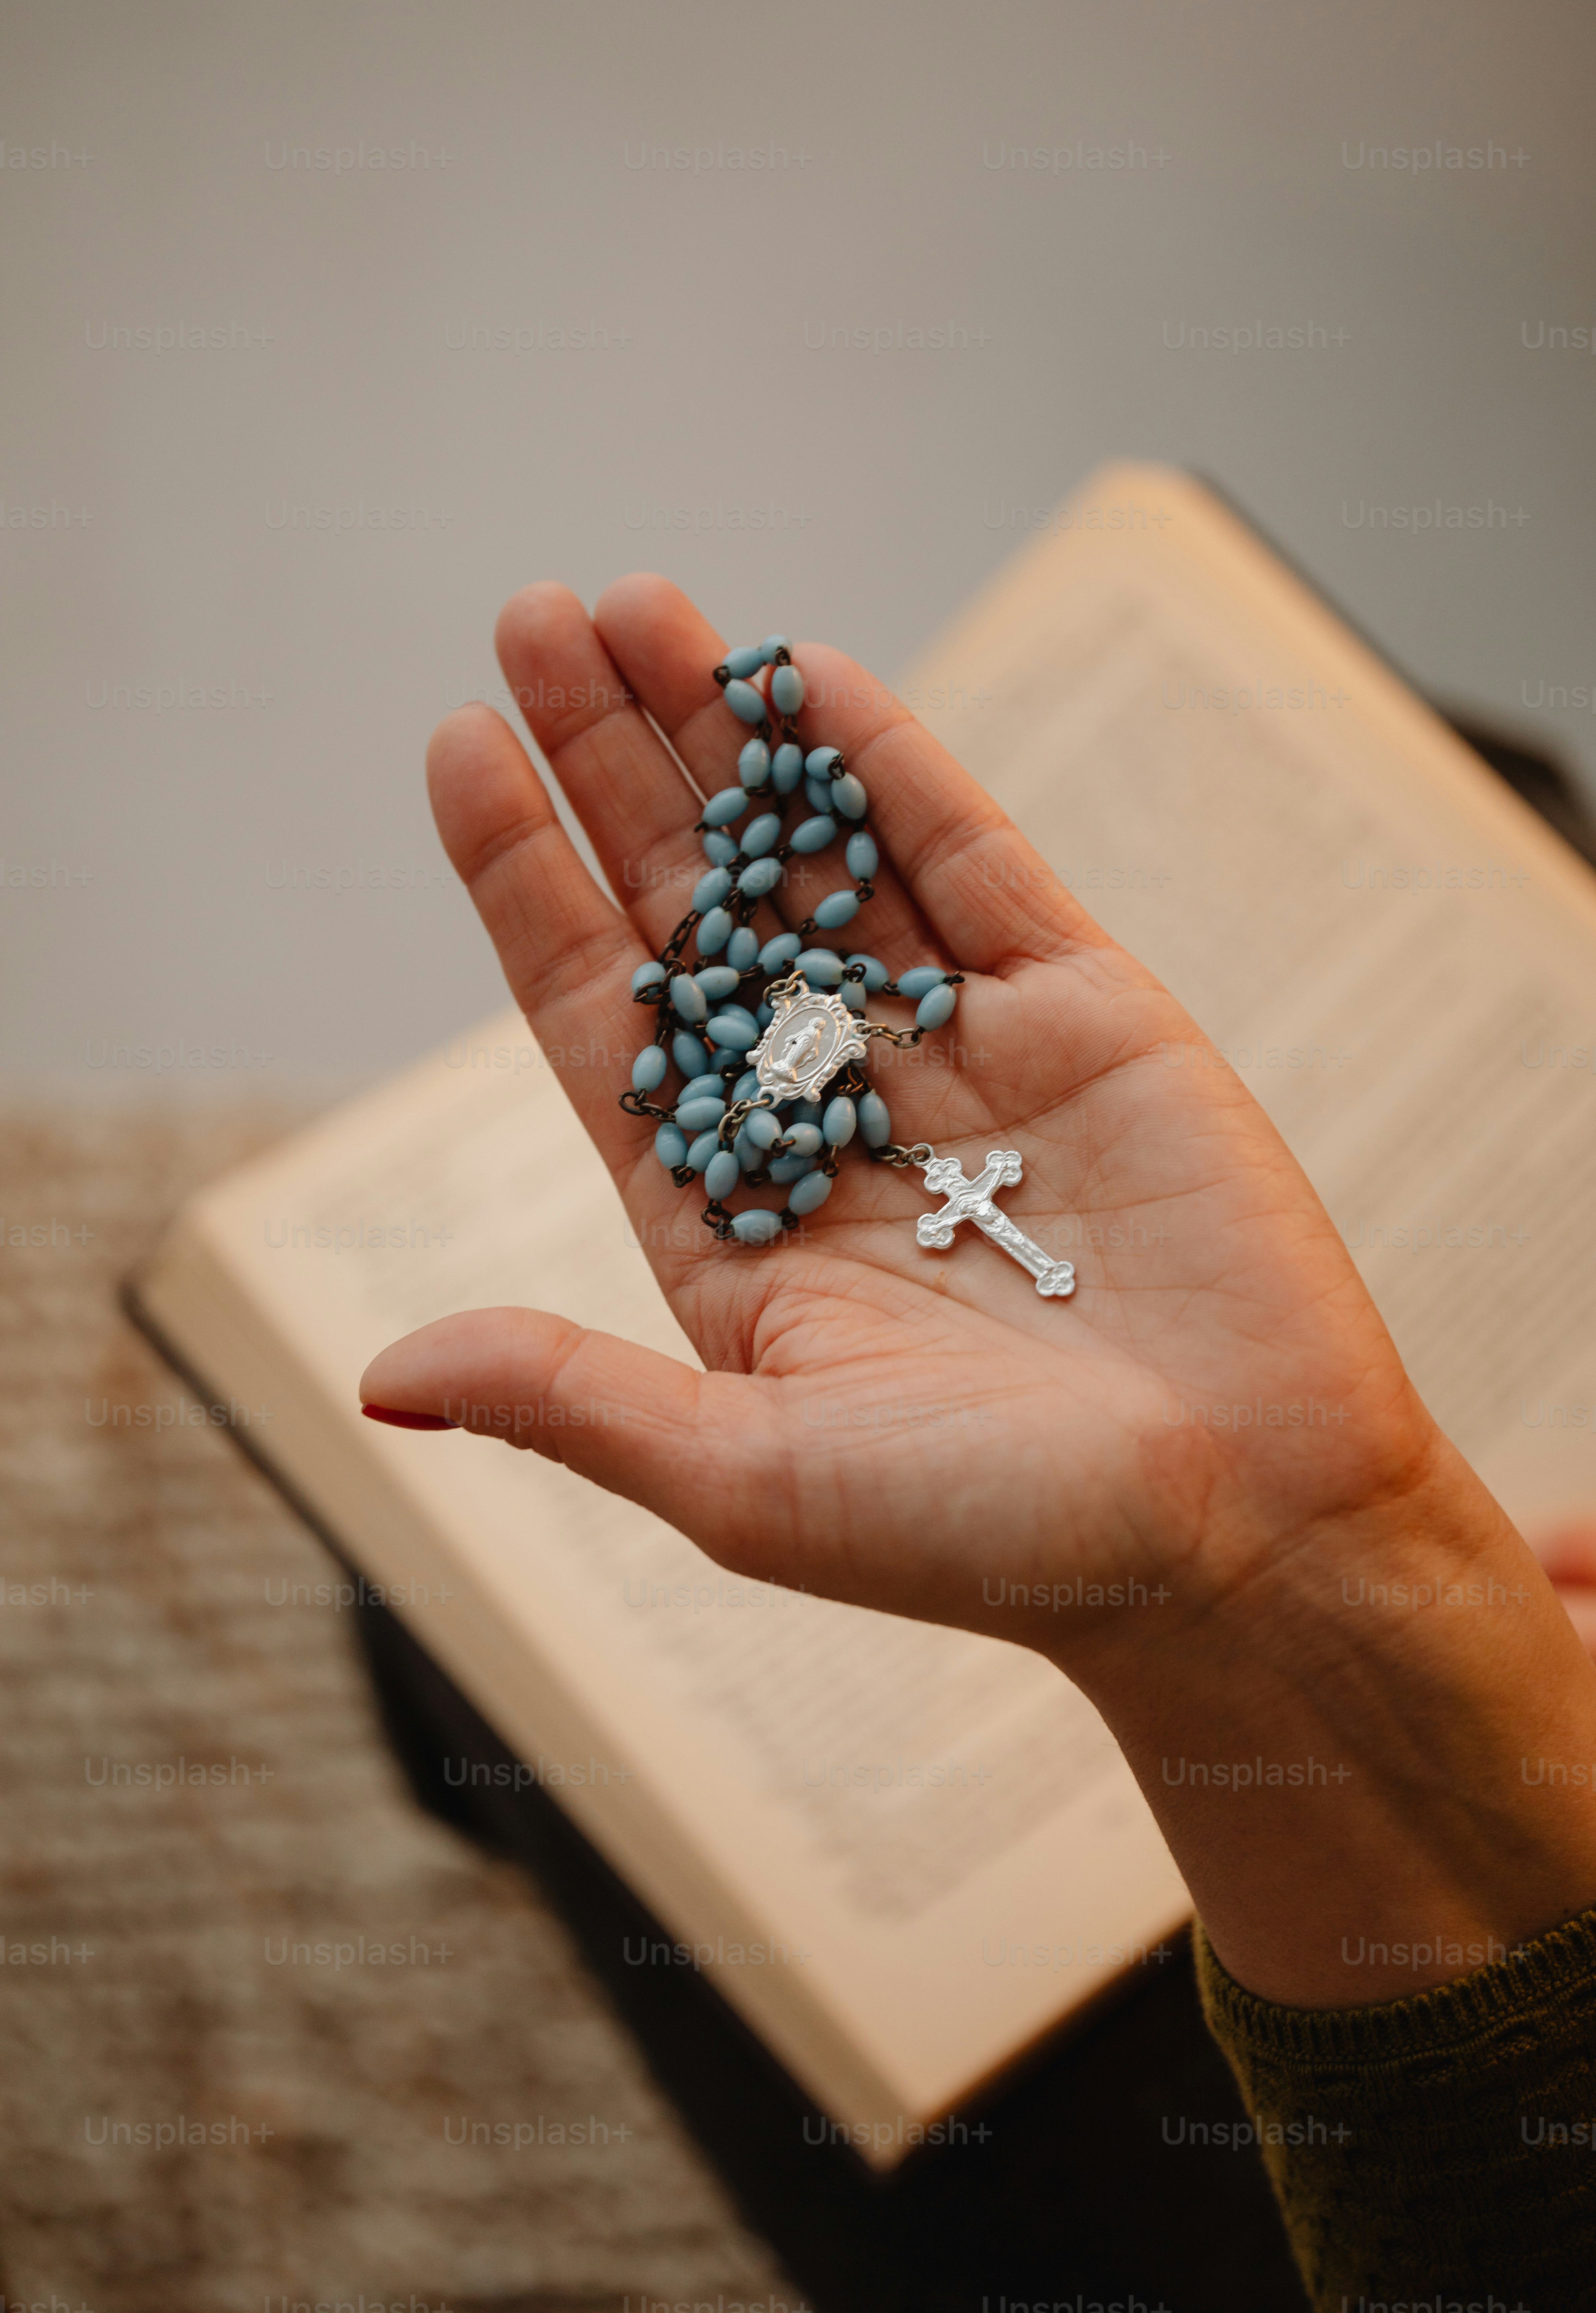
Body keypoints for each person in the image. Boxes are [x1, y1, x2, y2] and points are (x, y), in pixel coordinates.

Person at [360, 576, 1596, 2310]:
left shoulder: (835, 1075)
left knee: (427, 1604)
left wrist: (1286, 1599)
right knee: (1491, 785)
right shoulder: (807, 1031)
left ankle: (418, 1703)